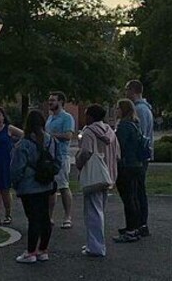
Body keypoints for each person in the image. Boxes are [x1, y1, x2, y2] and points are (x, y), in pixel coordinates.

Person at [10, 109, 56, 264]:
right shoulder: (50, 140)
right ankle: (43, 250)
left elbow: (17, 168)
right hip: (46, 184)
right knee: (45, 218)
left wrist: (15, 184)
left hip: (29, 186)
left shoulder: (23, 144)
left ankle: (30, 252)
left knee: (33, 219)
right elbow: (58, 161)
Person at [76, 104, 120, 258]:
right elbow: (118, 154)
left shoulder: (89, 132)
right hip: (109, 175)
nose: (85, 117)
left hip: (94, 176)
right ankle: (95, 243)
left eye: (87, 114)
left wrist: (79, 164)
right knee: (101, 209)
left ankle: (95, 246)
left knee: (92, 212)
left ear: (91, 116)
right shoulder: (111, 132)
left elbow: (86, 151)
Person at [113, 98, 144, 243]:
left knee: (128, 199)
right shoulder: (135, 124)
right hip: (137, 165)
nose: (116, 110)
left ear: (123, 110)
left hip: (126, 166)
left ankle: (130, 230)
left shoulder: (124, 126)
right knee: (134, 198)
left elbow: (119, 146)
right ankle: (135, 227)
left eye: (118, 108)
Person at [126, 80, 153, 237]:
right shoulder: (144, 109)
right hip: (141, 157)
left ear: (133, 90)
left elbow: (139, 135)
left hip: (138, 158)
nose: (125, 93)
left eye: (126, 89)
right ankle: (140, 223)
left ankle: (140, 224)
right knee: (138, 190)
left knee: (137, 191)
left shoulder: (140, 110)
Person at [45, 91, 75, 229]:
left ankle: (67, 216)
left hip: (61, 156)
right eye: (49, 100)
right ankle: (49, 216)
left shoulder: (66, 117)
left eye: (53, 100)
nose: (50, 102)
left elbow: (68, 135)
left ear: (61, 102)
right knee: (50, 188)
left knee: (63, 186)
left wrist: (51, 136)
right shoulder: (50, 118)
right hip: (48, 157)